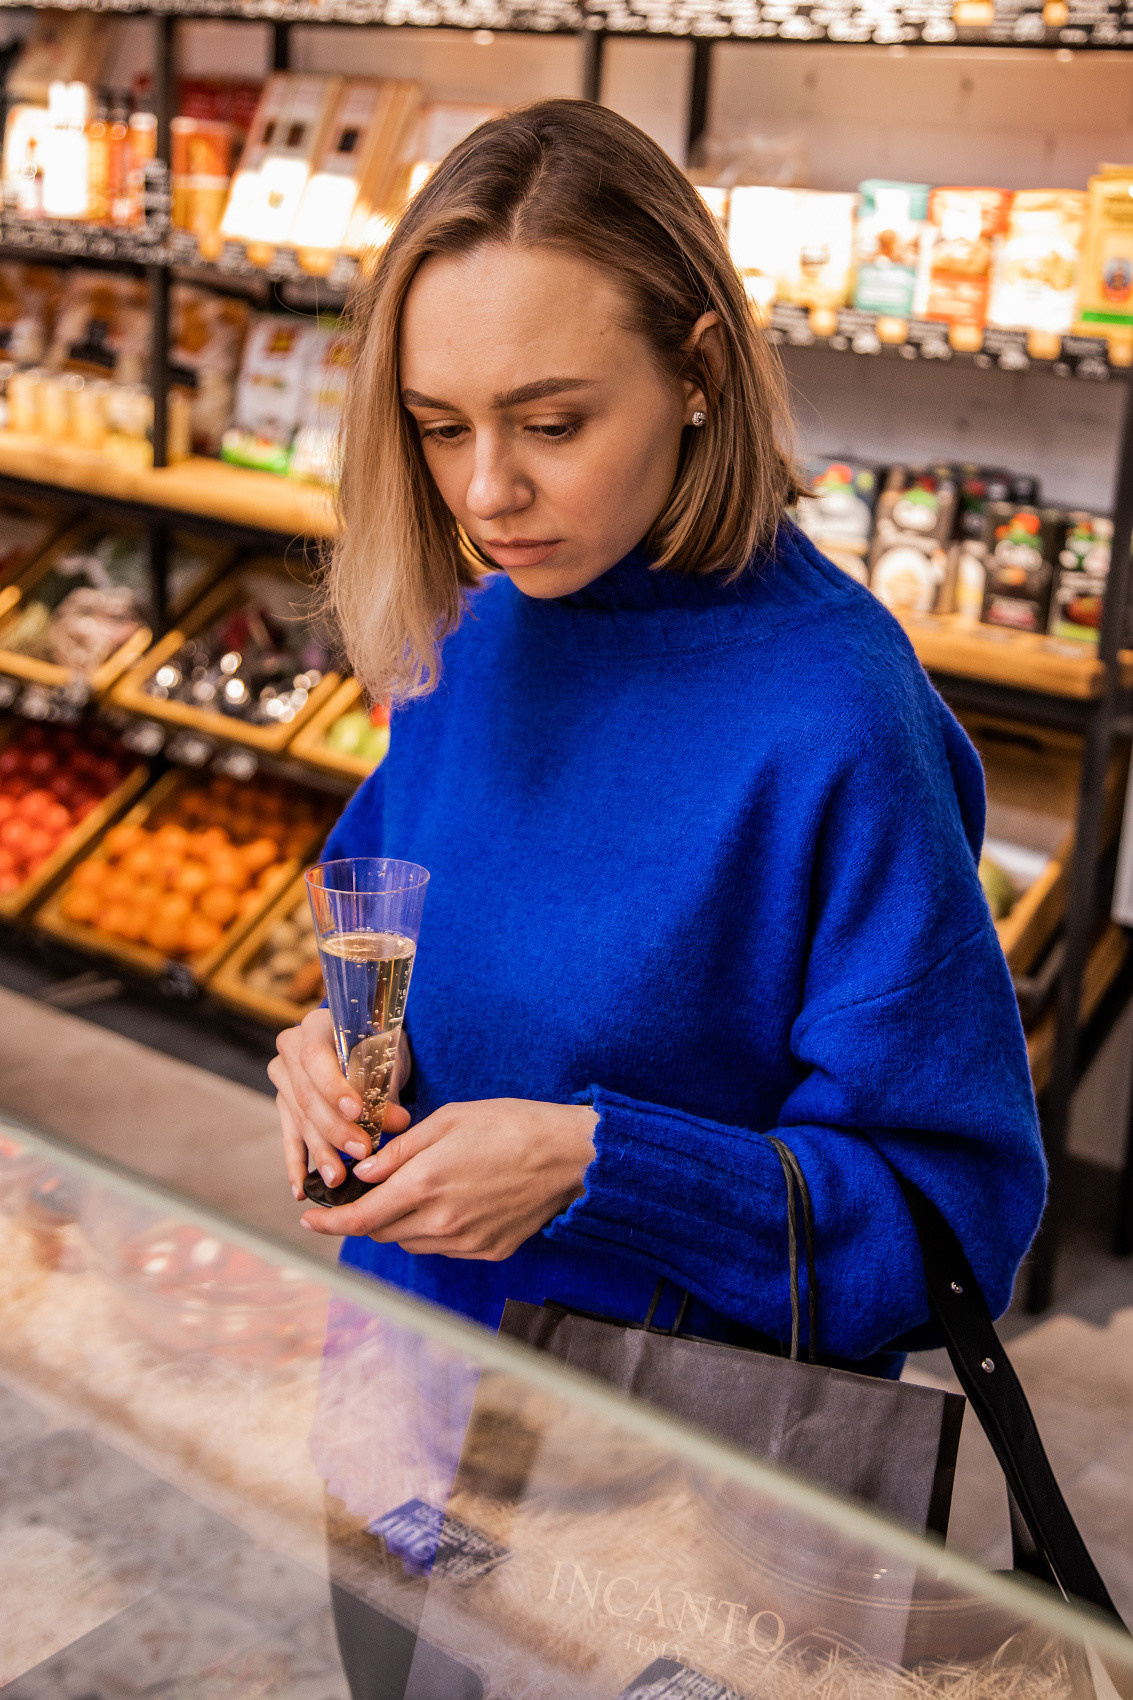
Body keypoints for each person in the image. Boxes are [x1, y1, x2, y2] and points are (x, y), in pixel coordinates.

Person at [270, 99, 1045, 1383]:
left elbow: (942, 1218)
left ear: (698, 373)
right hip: (398, 1395)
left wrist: (597, 1167)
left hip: (667, 1499)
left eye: (553, 423)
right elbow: (408, 946)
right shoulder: (470, 633)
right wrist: (335, 1055)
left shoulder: (838, 710)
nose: (484, 491)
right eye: (439, 425)